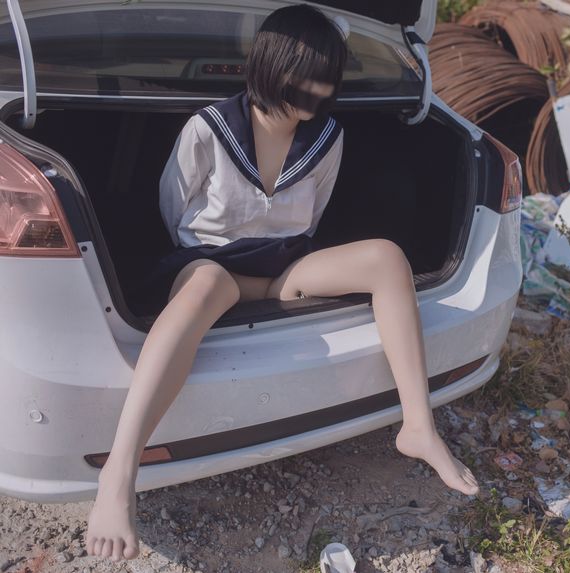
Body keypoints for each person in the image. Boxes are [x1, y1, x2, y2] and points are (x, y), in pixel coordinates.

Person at [85, 5, 479, 563]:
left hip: (284, 266)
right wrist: (226, 265)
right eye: (305, 79)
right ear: (269, 67)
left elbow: (311, 220)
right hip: (212, 264)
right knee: (202, 287)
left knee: (387, 258)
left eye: (325, 81)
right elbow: (174, 211)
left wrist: (275, 279)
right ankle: (120, 474)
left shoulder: (327, 138)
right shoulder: (208, 128)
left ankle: (419, 426)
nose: (316, 93)